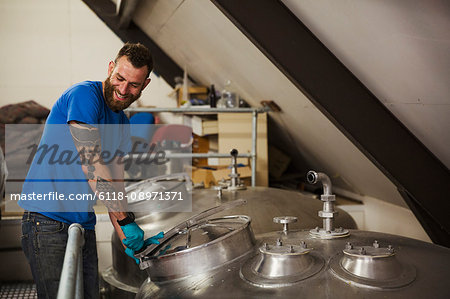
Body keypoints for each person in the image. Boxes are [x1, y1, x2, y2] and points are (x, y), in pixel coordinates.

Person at [19, 42, 163, 299]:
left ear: (145, 85)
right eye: (120, 78)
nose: (123, 89)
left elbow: (116, 184)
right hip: (47, 220)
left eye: (134, 85)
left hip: (84, 222)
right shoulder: (84, 96)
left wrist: (129, 240)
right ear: (110, 68)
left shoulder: (121, 122)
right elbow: (92, 164)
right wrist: (126, 222)